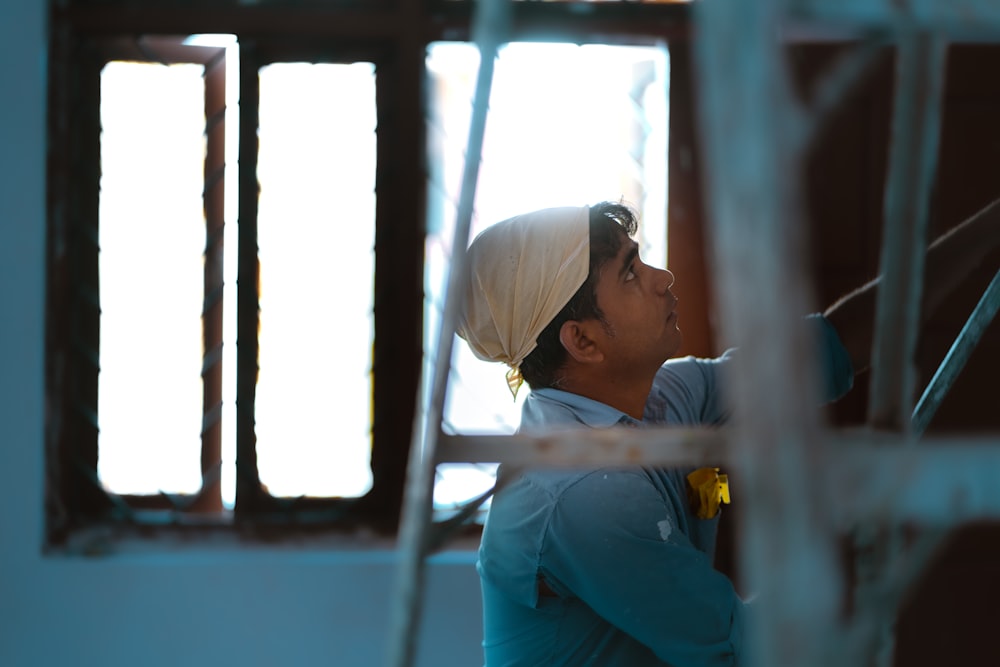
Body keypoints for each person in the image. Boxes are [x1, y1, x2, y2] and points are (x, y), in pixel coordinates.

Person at [455, 200, 1000, 666]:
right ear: (583, 341)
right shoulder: (579, 490)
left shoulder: (666, 397)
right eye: (628, 273)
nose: (661, 278)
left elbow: (828, 350)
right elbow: (746, 649)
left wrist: (985, 232)